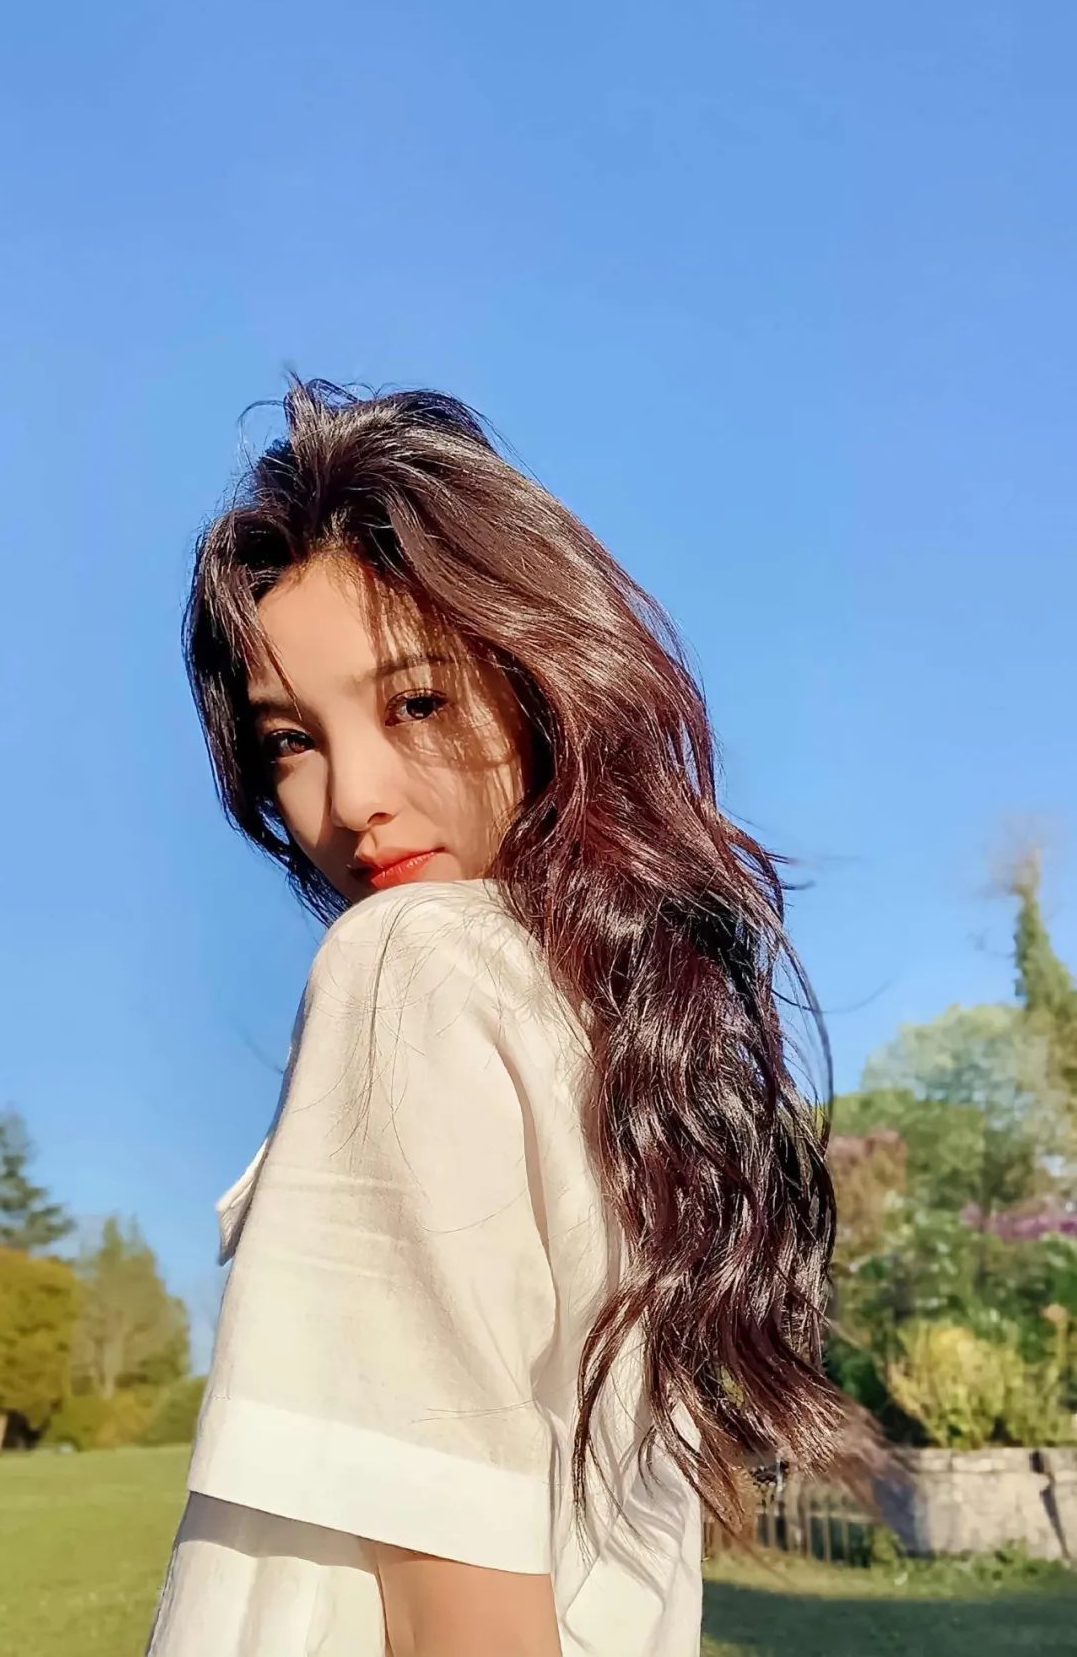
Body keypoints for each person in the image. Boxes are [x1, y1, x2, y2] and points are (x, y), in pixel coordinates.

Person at [147, 379, 845, 1657]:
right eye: (291, 740)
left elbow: (451, 1594)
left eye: (417, 702)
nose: (351, 798)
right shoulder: (618, 1054)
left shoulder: (408, 964)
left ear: (539, 683)